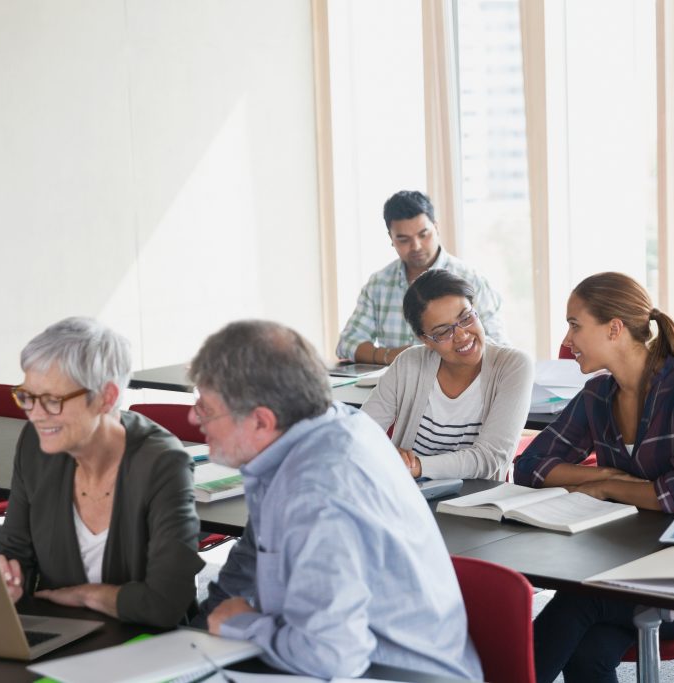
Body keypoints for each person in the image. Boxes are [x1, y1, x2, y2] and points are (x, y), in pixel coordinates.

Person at [192, 320, 481, 680]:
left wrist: (242, 624)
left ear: (261, 421)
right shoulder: (324, 427)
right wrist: (193, 637)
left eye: (206, 410)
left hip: (386, 672)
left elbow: (330, 656)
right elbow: (252, 557)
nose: (193, 418)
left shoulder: (319, 487)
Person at [515, 272, 674, 683]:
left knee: (578, 602)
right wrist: (602, 474)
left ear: (614, 328)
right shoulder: (598, 395)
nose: (567, 339)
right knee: (588, 655)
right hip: (638, 562)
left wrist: (606, 485)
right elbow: (528, 466)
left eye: (575, 325)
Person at [0, 317, 203, 628]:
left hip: (145, 644)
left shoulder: (163, 463)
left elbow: (164, 604)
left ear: (107, 397)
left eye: (52, 400)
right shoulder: (34, 446)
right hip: (62, 631)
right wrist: (8, 579)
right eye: (27, 396)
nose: (35, 415)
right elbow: (12, 549)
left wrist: (85, 595)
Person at [362, 269, 533, 481]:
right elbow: (361, 434)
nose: (462, 335)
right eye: (443, 332)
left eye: (466, 318)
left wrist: (415, 467)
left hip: (477, 506)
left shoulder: (513, 366)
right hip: (409, 497)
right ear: (425, 339)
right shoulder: (409, 363)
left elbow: (490, 459)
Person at [336, 190, 507, 364]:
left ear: (436, 227)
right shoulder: (379, 284)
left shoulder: (470, 279)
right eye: (403, 239)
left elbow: (500, 348)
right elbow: (347, 343)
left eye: (423, 234)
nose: (416, 246)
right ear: (391, 238)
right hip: (398, 387)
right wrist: (391, 356)